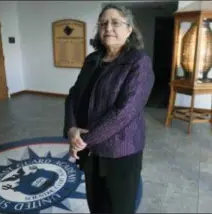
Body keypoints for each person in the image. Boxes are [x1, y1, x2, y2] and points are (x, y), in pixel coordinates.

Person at [63, 4, 155, 214]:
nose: (108, 28)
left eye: (116, 22)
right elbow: (73, 96)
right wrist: (71, 128)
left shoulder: (139, 62)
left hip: (120, 152)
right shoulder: (92, 60)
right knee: (96, 204)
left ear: (129, 29)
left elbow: (124, 112)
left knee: (119, 207)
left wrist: (83, 140)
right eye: (103, 23)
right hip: (91, 150)